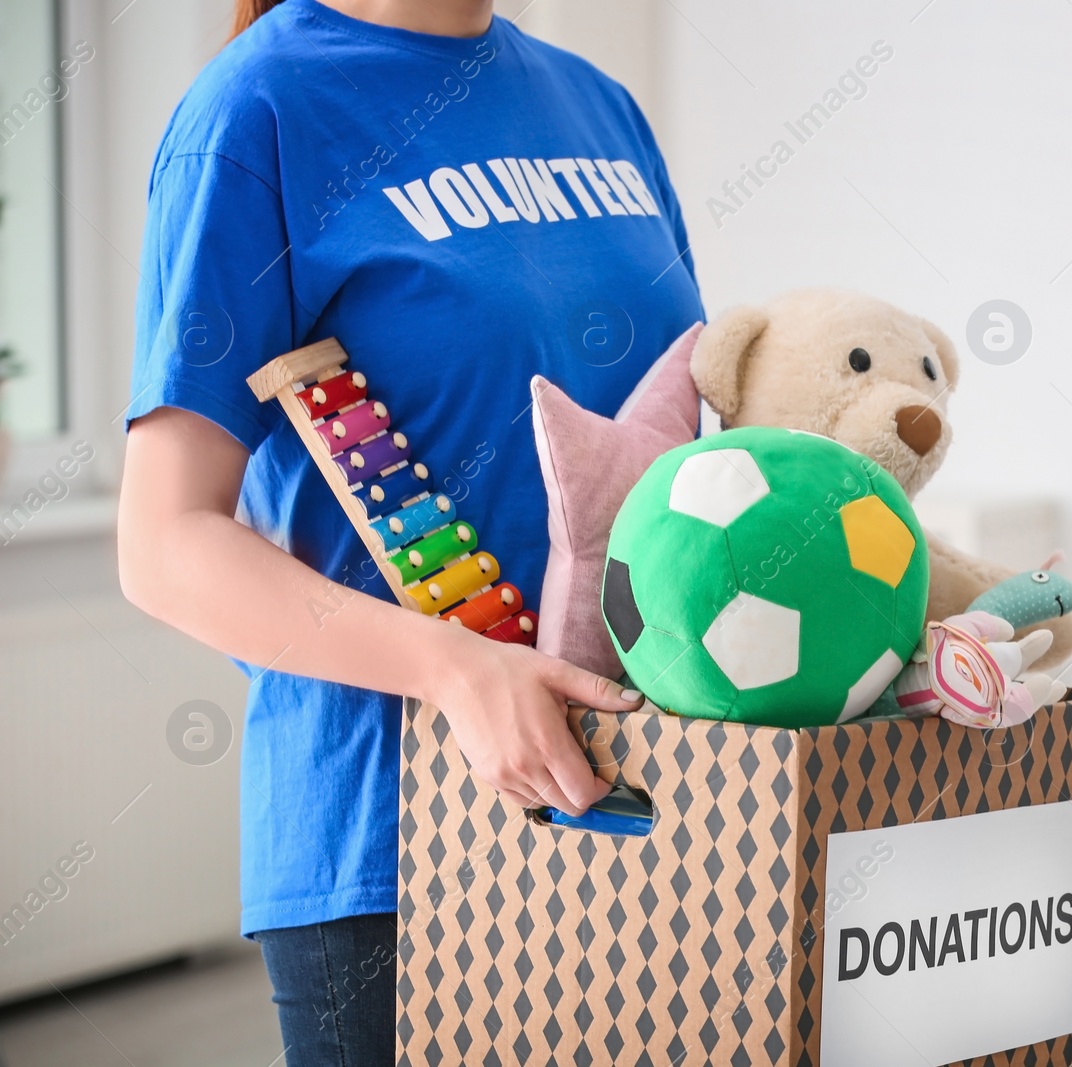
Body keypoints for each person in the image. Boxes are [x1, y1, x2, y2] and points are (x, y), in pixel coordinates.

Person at [116, 1, 702, 1061]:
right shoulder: (257, 112)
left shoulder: (600, 108)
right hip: (397, 851)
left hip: (656, 803)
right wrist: (458, 670)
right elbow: (163, 541)